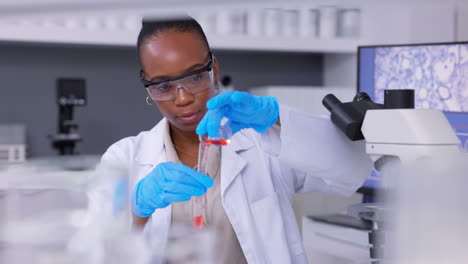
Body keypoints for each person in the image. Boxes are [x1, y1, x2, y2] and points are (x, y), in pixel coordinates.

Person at [93, 16, 372, 264]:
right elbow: (94, 250)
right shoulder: (124, 158)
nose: (183, 98)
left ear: (214, 69)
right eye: (163, 86)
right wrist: (137, 210)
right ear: (147, 85)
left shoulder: (263, 142)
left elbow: (352, 169)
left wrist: (278, 120)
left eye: (194, 78)